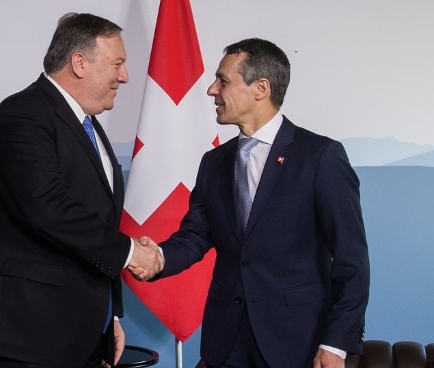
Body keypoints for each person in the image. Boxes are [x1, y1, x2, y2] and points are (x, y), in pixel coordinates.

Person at [132, 38, 370, 368]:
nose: (211, 90)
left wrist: (336, 343)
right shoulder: (213, 162)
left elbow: (351, 260)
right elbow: (195, 236)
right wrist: (157, 258)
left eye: (223, 81)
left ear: (260, 88)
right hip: (226, 343)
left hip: (297, 343)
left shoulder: (320, 157)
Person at [0, 13, 163, 368]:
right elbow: (46, 208)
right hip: (21, 335)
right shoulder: (23, 115)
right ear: (79, 63)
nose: (125, 76)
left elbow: (96, 220)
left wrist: (109, 317)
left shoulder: (88, 125)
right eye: (117, 63)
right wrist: (132, 252)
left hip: (76, 333)